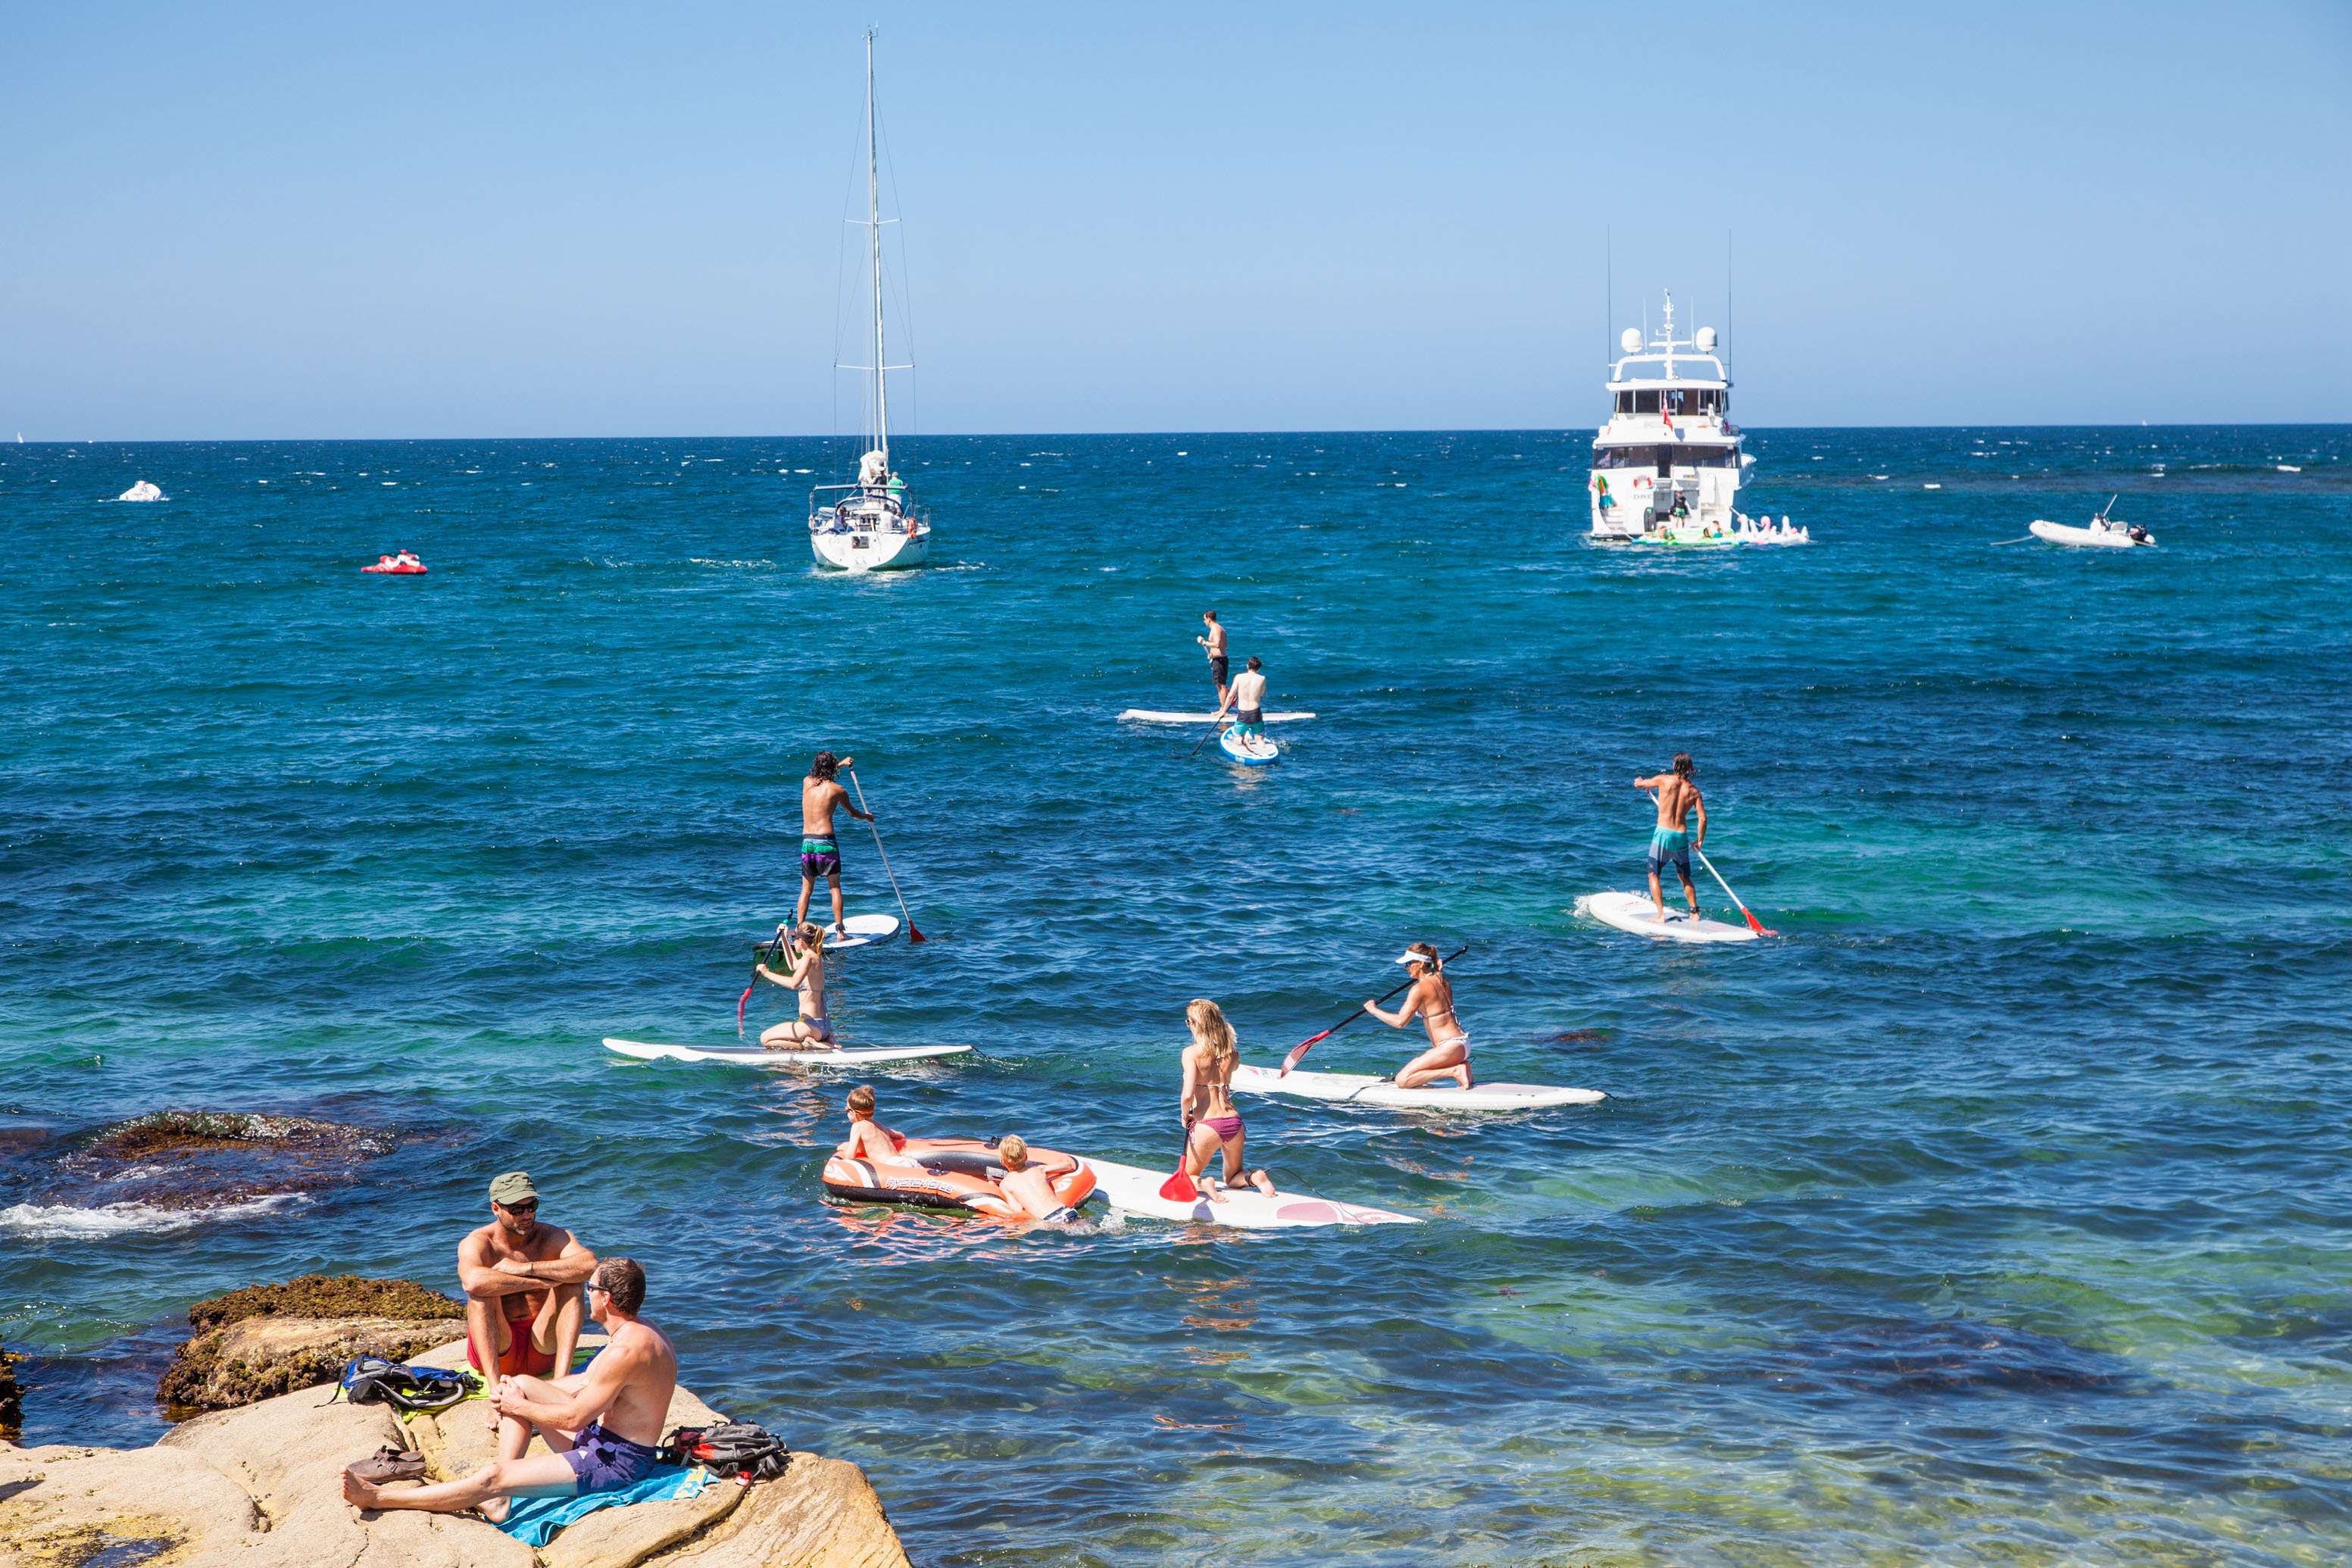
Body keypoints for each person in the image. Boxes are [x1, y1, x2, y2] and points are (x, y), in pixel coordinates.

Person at [343, 1258, 676, 1523]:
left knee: (491, 1476)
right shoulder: (642, 1331)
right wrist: (510, 1394)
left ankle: (378, 1498)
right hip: (604, 1441)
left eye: (590, 1287)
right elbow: (585, 1383)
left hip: (615, 1463)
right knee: (518, 1383)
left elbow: (575, 1418)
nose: (587, 1292)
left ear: (605, 1298)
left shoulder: (626, 1351)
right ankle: (501, 1498)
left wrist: (518, 1409)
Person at [458, 1173, 598, 1429]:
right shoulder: (478, 1242)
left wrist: (527, 1268)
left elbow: (588, 1265)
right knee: (480, 1296)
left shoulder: (552, 1236)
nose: (527, 1215)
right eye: (517, 1209)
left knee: (572, 1284)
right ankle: (496, 1396)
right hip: (500, 1348)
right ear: (496, 1208)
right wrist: (539, 1282)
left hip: (542, 1346)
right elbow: (472, 1281)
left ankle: (560, 1386)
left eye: (532, 1206)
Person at [1177, 998, 1275, 1198]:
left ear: (1198, 1024)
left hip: (1208, 1124)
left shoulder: (1191, 1053)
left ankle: (1205, 1183)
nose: (1188, 1025)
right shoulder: (1233, 1053)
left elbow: (1188, 1095)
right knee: (1233, 1177)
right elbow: (1227, 1068)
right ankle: (1256, 1177)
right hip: (1234, 1122)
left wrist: (1184, 1115)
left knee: (1188, 1176)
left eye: (1190, 1021)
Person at [1363, 944, 1472, 1090]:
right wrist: (1435, 970)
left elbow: (1400, 1022)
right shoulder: (1443, 981)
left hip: (1450, 1047)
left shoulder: (1419, 989)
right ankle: (1462, 1066)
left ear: (1420, 964)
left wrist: (1373, 1010)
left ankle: (1454, 1070)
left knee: (1403, 1080)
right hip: (1462, 1045)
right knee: (1413, 1074)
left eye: (1408, 964)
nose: (1406, 968)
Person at [795, 751, 873, 932]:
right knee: (834, 887)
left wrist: (841, 764)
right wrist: (867, 817)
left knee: (806, 889)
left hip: (808, 843)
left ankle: (799, 929)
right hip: (826, 843)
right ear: (832, 768)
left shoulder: (807, 783)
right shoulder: (838, 790)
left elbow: (820, 776)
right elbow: (853, 814)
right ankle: (840, 931)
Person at [1633, 752, 1707, 920]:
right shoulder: (1694, 791)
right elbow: (1703, 818)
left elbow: (1641, 784)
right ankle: (1694, 913)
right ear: (1690, 769)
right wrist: (1699, 841)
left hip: (1663, 835)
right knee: (1685, 877)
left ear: (1675, 766)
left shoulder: (1663, 780)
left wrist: (1639, 782)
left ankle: (1660, 915)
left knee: (1654, 874)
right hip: (1681, 836)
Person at [754, 922, 835, 1048]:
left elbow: (793, 984)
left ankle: (805, 1045)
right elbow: (792, 965)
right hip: (823, 1026)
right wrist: (784, 938)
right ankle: (815, 1040)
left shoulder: (809, 958)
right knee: (771, 1037)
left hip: (811, 1026)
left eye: (794, 938)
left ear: (801, 941)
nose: (793, 942)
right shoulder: (814, 957)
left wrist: (766, 973)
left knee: (765, 1039)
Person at [980, 1135, 1086, 1223]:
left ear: (1002, 1161)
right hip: (1067, 1211)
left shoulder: (1006, 1184)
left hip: (1050, 1220)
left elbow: (1017, 1209)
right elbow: (1067, 1166)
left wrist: (994, 1187)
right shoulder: (1039, 1170)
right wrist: (1061, 1160)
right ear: (1025, 1157)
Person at [836, 1084, 911, 1165]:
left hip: (894, 1166)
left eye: (847, 1109)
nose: (846, 1111)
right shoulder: (878, 1125)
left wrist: (845, 1148)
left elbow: (849, 1157)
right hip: (906, 1161)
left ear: (855, 1114)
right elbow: (901, 1135)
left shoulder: (857, 1126)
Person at [1213, 656, 1268, 745]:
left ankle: (1243, 740)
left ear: (1247, 666)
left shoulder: (1239, 677)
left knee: (1237, 738)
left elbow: (1231, 695)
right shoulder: (1262, 678)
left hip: (1243, 714)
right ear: (1259, 668)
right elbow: (1263, 694)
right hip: (1256, 714)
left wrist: (1224, 711)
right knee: (1259, 738)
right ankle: (1262, 747)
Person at [1196, 611, 1229, 706]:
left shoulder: (1216, 629)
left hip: (1220, 660)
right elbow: (1224, 645)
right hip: (1218, 659)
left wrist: (1204, 642)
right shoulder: (1218, 628)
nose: (1204, 621)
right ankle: (1223, 707)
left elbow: (1218, 644)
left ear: (1209, 619)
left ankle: (1224, 710)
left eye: (1204, 619)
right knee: (1219, 685)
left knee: (1221, 685)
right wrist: (1212, 654)